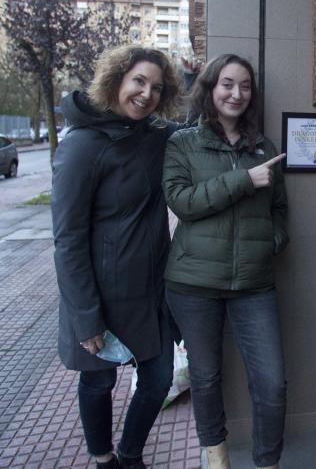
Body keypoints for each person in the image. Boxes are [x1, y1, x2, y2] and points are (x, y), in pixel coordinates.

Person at [52, 45, 182, 469]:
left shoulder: (154, 138)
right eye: (139, 81)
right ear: (117, 80)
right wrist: (85, 315)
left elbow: (198, 127)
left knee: (159, 378)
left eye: (157, 88)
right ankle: (103, 457)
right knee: (99, 381)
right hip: (99, 296)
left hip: (149, 292)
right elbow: (67, 239)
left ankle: (130, 454)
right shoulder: (82, 145)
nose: (147, 94)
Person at [163, 54, 289, 469]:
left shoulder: (263, 147)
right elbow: (181, 201)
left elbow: (280, 207)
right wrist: (242, 180)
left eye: (245, 86)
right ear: (211, 88)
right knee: (206, 377)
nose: (237, 93)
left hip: (254, 283)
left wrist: (272, 240)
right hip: (193, 284)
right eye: (228, 84)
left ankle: (267, 462)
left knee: (271, 383)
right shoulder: (183, 142)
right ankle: (215, 456)